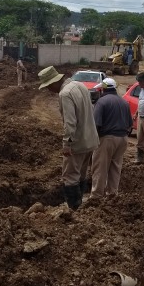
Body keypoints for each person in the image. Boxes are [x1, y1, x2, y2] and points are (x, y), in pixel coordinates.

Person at [38, 65, 99, 210]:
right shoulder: (79, 85)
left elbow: (70, 122)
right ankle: (80, 205)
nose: (49, 90)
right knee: (82, 174)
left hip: (77, 143)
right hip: (90, 140)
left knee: (70, 177)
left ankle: (74, 209)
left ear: (53, 83)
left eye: (48, 87)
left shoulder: (65, 94)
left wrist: (67, 144)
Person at [91, 78, 132, 197]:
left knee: (100, 167)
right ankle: (112, 194)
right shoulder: (124, 102)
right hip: (122, 139)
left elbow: (96, 124)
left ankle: (96, 196)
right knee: (115, 167)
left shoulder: (101, 102)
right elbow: (129, 124)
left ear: (103, 89)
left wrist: (94, 142)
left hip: (107, 138)